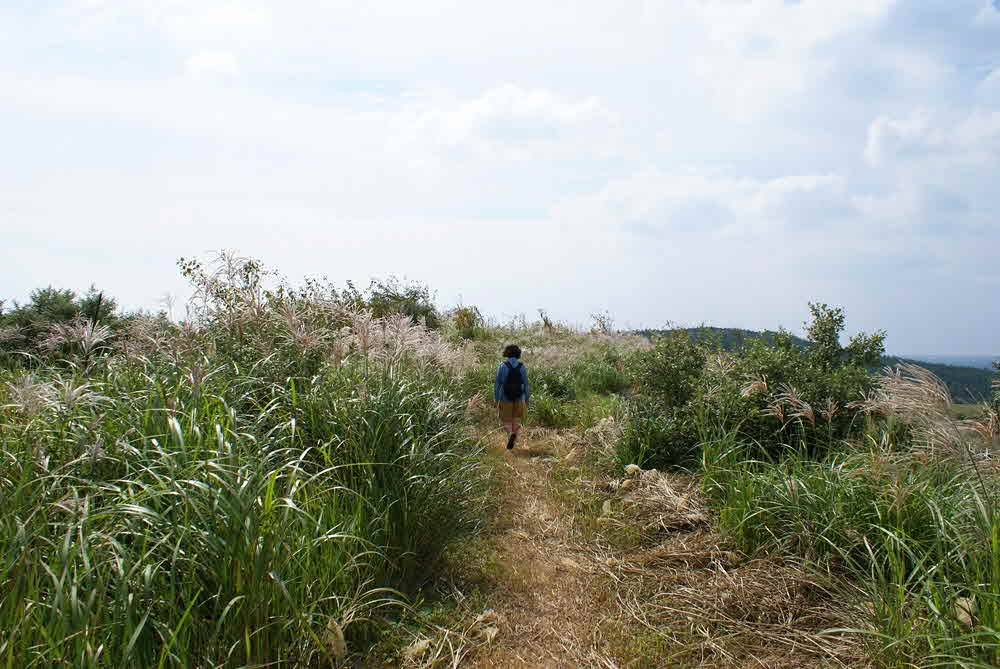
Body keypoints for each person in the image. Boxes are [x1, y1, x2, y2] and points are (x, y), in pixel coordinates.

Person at [494, 344, 530, 449]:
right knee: (516, 419)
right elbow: (526, 384)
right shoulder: (522, 366)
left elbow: (497, 384)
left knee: (506, 420)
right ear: (518, 353)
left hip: (505, 398)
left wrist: (496, 399)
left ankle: (510, 433)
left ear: (507, 353)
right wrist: (527, 399)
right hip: (519, 397)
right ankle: (514, 434)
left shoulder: (502, 366)